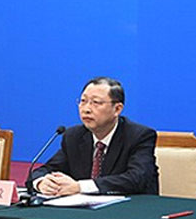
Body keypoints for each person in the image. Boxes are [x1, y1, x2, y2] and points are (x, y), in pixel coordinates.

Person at [30, 76, 159, 196]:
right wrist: (42, 182)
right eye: (83, 101)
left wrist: (80, 187)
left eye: (96, 102)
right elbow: (45, 170)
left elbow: (137, 178)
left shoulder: (139, 136)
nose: (86, 109)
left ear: (117, 109)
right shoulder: (74, 136)